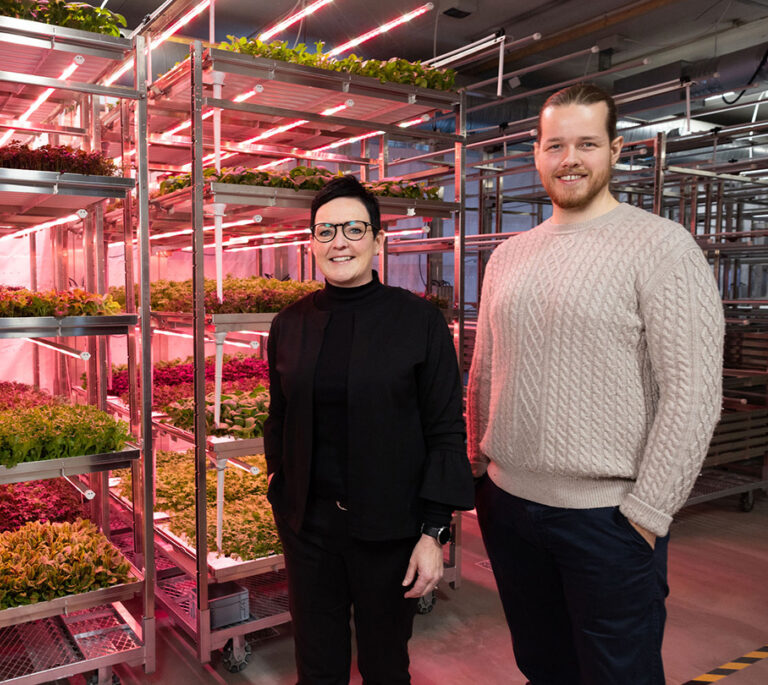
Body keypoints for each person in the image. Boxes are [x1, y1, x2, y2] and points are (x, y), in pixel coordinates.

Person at [467, 83, 724, 685]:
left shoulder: (661, 247)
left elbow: (692, 393)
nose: (570, 159)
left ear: (615, 150)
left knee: (618, 674)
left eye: (586, 143)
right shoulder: (508, 254)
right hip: (509, 508)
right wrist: (477, 469)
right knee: (543, 666)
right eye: (555, 145)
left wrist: (649, 512)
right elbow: (483, 369)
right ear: (536, 153)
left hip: (607, 518)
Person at [264, 174, 475, 685]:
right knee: (316, 666)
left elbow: (445, 429)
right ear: (312, 243)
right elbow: (279, 418)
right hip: (309, 531)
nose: (339, 242)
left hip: (391, 532)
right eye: (326, 231)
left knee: (384, 664)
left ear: (379, 240)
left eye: (354, 229)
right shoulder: (289, 323)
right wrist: (281, 490)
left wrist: (433, 531)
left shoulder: (418, 322)